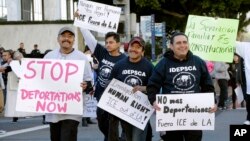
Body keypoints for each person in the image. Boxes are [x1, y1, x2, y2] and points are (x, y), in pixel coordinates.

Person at [147, 32, 217, 141]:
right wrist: (153, 100)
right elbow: (152, 85)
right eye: (178, 43)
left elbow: (207, 85)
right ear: (171, 46)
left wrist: (213, 102)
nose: (182, 45)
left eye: (185, 42)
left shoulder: (198, 62)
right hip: (170, 116)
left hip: (194, 114)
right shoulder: (163, 63)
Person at [44, 26, 93, 141]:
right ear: (58, 39)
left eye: (70, 36)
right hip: (53, 109)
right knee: (55, 138)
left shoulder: (82, 58)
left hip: (72, 109)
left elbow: (89, 81)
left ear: (74, 40)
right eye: (63, 36)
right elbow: (40, 79)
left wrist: (86, 86)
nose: (66, 39)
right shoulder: (49, 57)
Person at [79, 26, 126, 141]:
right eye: (106, 42)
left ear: (118, 44)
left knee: (112, 126)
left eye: (111, 42)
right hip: (101, 97)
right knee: (102, 124)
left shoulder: (124, 60)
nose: (108, 45)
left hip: (115, 99)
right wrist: (81, 25)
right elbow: (89, 39)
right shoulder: (102, 53)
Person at [109, 37, 154, 141]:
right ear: (127, 48)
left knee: (137, 139)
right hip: (124, 110)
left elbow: (155, 87)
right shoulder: (119, 65)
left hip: (141, 111)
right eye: (131, 46)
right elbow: (110, 85)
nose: (134, 49)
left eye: (138, 47)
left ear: (142, 51)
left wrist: (143, 88)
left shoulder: (149, 67)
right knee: (128, 138)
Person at [235, 41, 250, 125]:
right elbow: (239, 70)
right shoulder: (245, 49)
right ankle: (249, 117)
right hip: (245, 81)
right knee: (247, 99)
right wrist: (238, 80)